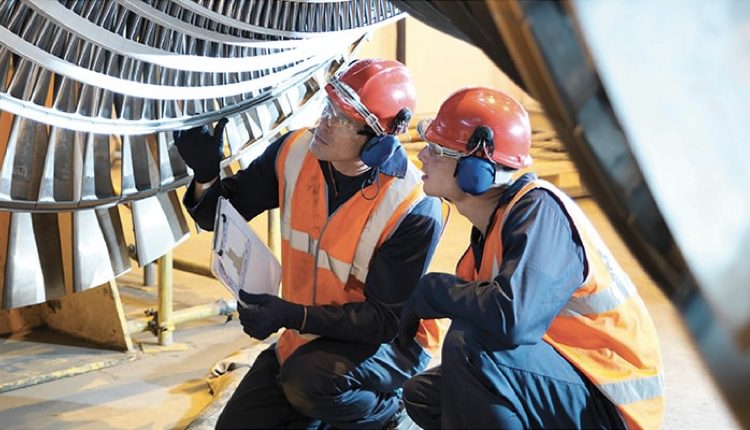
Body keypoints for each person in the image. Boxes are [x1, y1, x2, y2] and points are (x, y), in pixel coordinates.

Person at [174, 59, 449, 429]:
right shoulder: (296, 152)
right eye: (328, 108)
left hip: (389, 346)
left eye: (340, 119)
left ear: (377, 144)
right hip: (311, 335)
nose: (324, 122)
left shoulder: (412, 205)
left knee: (310, 381)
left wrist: (288, 314)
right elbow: (219, 217)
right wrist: (207, 175)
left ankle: (390, 416)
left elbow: (382, 322)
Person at [396, 87, 664, 429]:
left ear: (475, 169)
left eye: (438, 150)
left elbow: (513, 319)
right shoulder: (490, 233)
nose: (423, 158)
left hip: (613, 404)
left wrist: (434, 290)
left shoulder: (541, 213)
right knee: (427, 394)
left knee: (471, 346)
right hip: (571, 381)